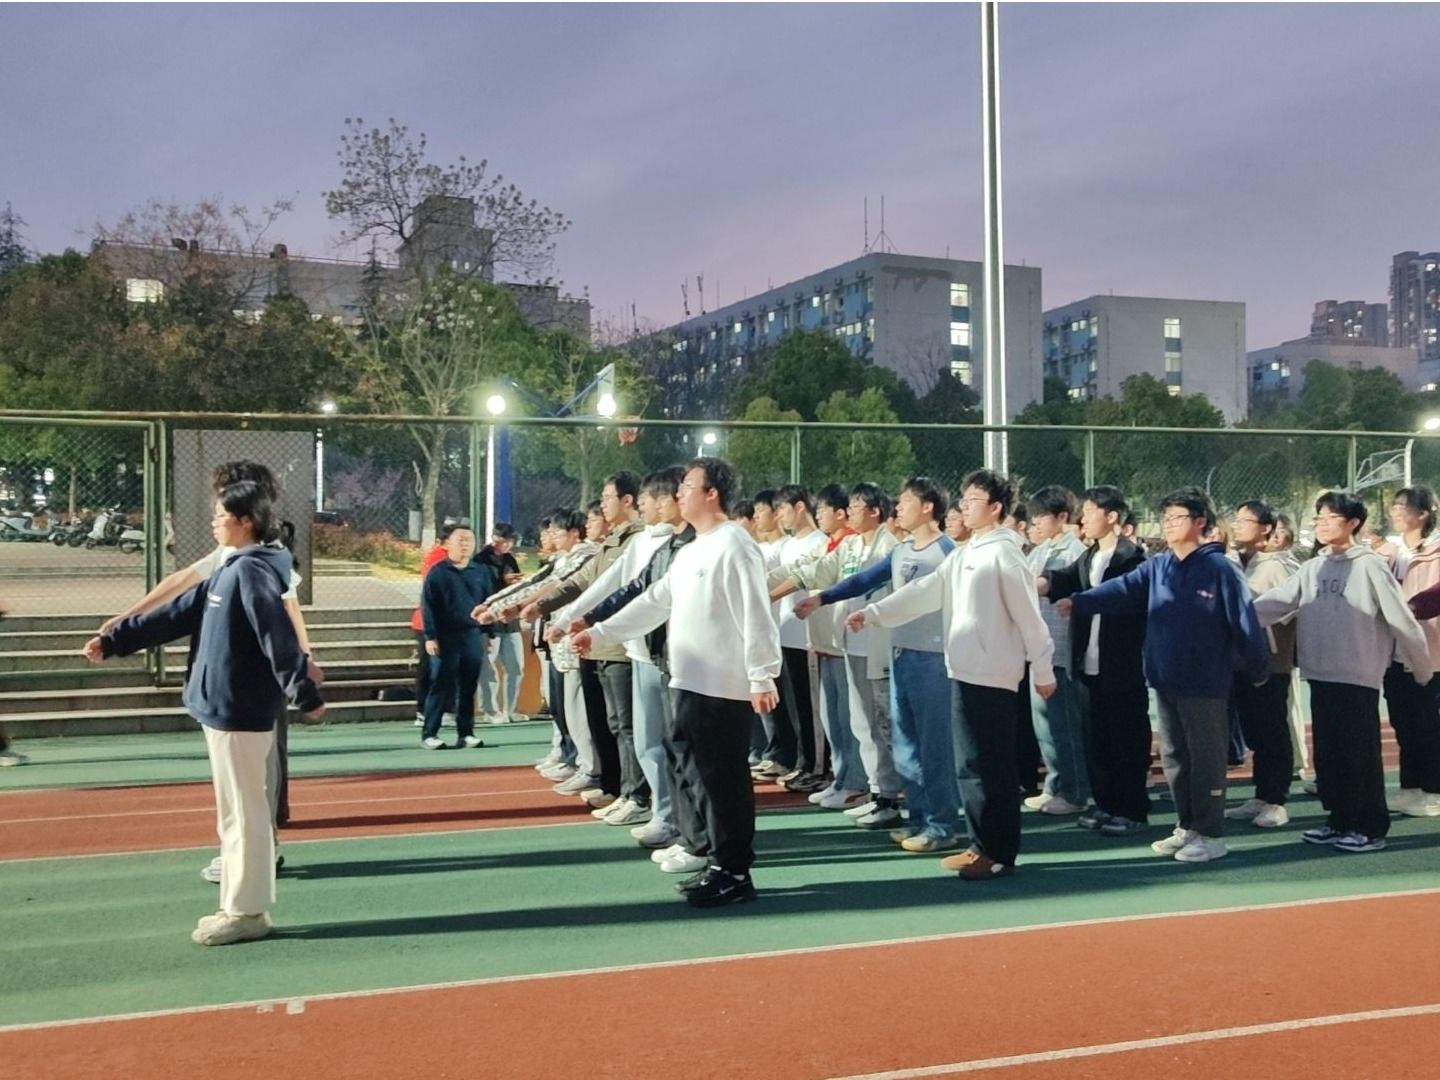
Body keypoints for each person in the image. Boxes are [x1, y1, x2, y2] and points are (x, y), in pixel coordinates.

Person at [84, 481, 325, 945]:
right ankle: (238, 905)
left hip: (239, 708)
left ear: (246, 521)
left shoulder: (252, 571)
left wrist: (305, 694)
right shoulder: (232, 566)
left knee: (245, 814)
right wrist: (116, 639)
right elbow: (180, 611)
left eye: (221, 515)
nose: (214, 522)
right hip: (223, 705)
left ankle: (247, 912)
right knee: (235, 815)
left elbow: (276, 637)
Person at [573, 457, 782, 908]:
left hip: (723, 687)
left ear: (712, 493)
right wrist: (601, 632)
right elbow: (655, 600)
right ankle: (715, 861)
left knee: (723, 781)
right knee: (697, 775)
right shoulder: (691, 550)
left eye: (688, 486)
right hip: (687, 681)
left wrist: (762, 674)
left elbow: (756, 612)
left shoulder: (735, 544)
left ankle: (735, 872)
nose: (679, 494)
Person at [852, 470, 1057, 880]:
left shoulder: (1005, 554)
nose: (964, 506)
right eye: (964, 499)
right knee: (969, 765)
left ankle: (999, 853)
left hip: (995, 675)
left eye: (974, 499)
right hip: (961, 671)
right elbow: (926, 590)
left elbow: (1029, 616)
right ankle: (978, 844)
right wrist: (874, 613)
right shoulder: (965, 552)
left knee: (994, 768)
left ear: (995, 508)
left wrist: (1043, 668)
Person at [1060, 487, 1269, 864]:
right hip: (1164, 677)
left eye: (1177, 518)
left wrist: (1257, 670)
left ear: (1200, 522)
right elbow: (1122, 589)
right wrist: (1078, 601)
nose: (1169, 525)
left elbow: (1245, 622)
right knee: (1175, 758)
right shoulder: (1159, 565)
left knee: (1206, 760)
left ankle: (1211, 834)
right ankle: (1187, 825)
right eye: (1166, 518)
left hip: (1204, 683)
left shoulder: (1220, 569)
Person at [1255, 491, 1434, 853]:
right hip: (1320, 673)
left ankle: (1370, 827)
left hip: (1357, 676)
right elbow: (1278, 602)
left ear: (1353, 523)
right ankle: (1339, 819)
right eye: (1318, 517)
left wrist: (1421, 667)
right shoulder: (1313, 567)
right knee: (1329, 755)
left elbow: (1401, 618)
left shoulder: (1370, 566)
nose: (1322, 524)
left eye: (1331, 517)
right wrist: (1234, 616)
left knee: (1359, 755)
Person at [819, 478, 960, 853]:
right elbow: (864, 580)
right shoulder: (901, 551)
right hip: (900, 654)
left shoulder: (947, 551)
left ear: (928, 507)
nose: (898, 507)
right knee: (905, 746)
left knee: (934, 746)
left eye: (906, 501)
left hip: (934, 658)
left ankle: (942, 824)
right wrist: (822, 598)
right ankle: (919, 817)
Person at [788, 482, 904, 827]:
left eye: (856, 507)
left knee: (882, 724)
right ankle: (873, 790)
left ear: (875, 512)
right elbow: (824, 573)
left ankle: (889, 794)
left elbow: (881, 590)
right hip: (851, 643)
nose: (851, 512)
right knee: (860, 722)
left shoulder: (891, 547)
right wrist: (810, 596)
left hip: (878, 646)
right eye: (850, 506)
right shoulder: (851, 545)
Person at [1038, 485, 1150, 836]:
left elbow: (1128, 599)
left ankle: (1131, 810)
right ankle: (1105, 805)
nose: (1082, 518)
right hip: (1087, 665)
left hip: (1123, 665)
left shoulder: (1134, 559)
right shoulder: (1089, 557)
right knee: (1096, 739)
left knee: (1126, 739)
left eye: (1089, 512)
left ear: (1112, 516)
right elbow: (1063, 579)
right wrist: (1034, 584)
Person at [1225, 501, 1298, 829]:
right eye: (1236, 520)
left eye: (1246, 520)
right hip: (1239, 661)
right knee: (1253, 730)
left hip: (1271, 662)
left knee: (1272, 730)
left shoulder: (1279, 564)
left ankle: (1277, 800)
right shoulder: (1235, 562)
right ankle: (1261, 794)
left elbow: (1291, 608)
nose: (1237, 525)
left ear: (1266, 528)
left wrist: (1254, 615)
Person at [1023, 486, 1090, 816]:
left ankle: (1075, 792)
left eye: (1041, 516)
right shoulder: (1040, 551)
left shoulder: (1075, 552)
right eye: (1032, 517)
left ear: (1062, 517)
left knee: (1064, 726)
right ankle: (1054, 785)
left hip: (1061, 651)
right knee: (1044, 727)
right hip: (1038, 652)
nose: (1034, 523)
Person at [1378, 486, 1440, 817]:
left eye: (1403, 506)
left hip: (1431, 652)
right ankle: (1411, 787)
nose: (1396, 511)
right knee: (1403, 721)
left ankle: (1434, 792)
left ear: (1424, 513)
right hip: (1394, 652)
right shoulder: (1390, 552)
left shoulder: (1437, 550)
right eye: (1394, 505)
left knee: (1429, 724)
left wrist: (1411, 607)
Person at [419, 521, 499, 750]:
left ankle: (466, 733)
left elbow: (489, 603)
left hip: (472, 635)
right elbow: (428, 606)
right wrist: (430, 636)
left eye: (469, 540)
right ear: (446, 544)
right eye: (460, 540)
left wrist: (489, 633)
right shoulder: (438, 572)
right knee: (441, 684)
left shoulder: (481, 572)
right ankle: (430, 734)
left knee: (468, 685)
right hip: (445, 636)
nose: (465, 544)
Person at [476, 523, 526, 725]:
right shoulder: (480, 560)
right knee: (488, 667)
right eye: (504, 541)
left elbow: (517, 588)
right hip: (490, 623)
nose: (507, 545)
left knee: (516, 667)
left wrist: (515, 583)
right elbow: (483, 589)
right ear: (494, 538)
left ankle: (511, 709)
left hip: (511, 622)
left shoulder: (510, 559)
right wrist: (502, 581)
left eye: (510, 542)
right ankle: (490, 710)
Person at [410, 526, 453, 727]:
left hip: (443, 623)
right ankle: (428, 711)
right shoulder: (439, 558)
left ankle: (439, 710)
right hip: (431, 623)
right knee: (431, 668)